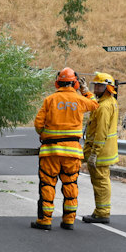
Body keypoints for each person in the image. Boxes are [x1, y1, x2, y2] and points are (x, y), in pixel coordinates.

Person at [31, 67, 98, 231]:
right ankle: (68, 221)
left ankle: (45, 221)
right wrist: (86, 91)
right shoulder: (79, 100)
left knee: (47, 186)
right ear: (75, 83)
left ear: (57, 83)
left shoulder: (50, 100)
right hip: (72, 153)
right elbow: (95, 105)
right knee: (70, 185)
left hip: (51, 153)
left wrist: (44, 134)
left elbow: (38, 125)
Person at [82, 72, 119, 224]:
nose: (95, 87)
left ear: (106, 88)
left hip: (100, 153)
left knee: (101, 182)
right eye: (95, 85)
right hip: (103, 151)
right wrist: (85, 91)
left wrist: (94, 154)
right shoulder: (107, 102)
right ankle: (100, 211)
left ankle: (102, 213)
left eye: (98, 85)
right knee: (101, 181)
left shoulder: (104, 107)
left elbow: (101, 132)